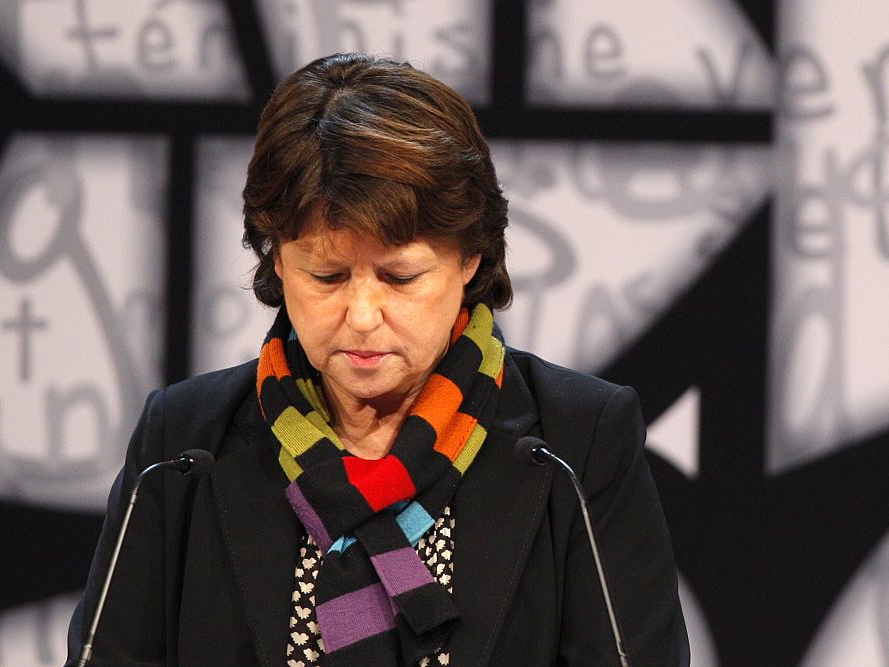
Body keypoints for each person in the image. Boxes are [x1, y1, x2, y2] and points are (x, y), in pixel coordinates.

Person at [66, 53, 690, 667]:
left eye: (399, 276)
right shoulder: (183, 444)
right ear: (277, 262)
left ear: (470, 258)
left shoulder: (575, 444)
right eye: (328, 275)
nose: (362, 316)